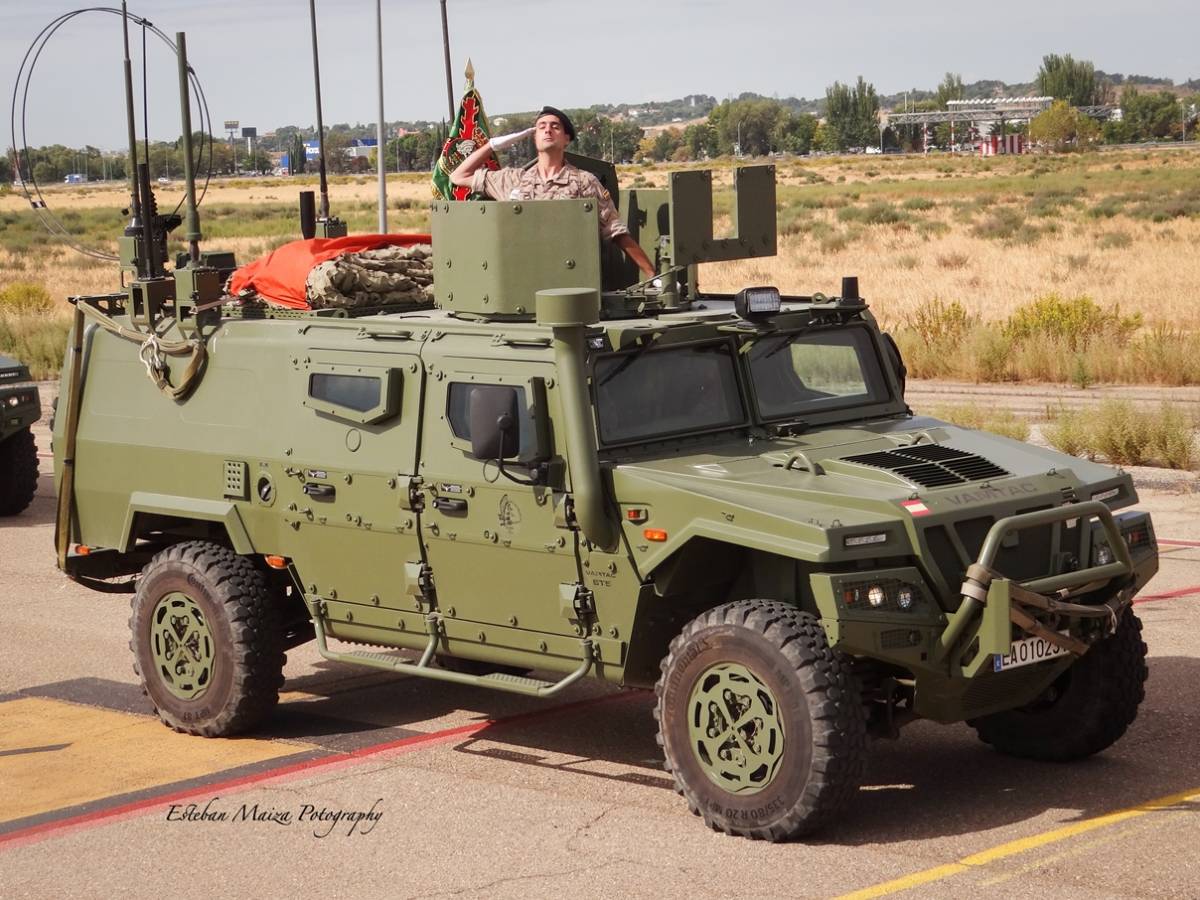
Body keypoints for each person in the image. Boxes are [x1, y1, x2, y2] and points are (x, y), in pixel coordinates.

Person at [450, 106, 656, 279]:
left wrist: (652, 276)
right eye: (541, 127)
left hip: (571, 281)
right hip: (521, 280)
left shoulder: (585, 183)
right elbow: (458, 176)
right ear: (534, 137)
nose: (548, 130)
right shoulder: (513, 180)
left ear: (566, 139)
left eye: (555, 127)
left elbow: (616, 232)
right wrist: (493, 145)